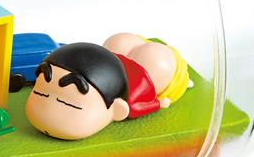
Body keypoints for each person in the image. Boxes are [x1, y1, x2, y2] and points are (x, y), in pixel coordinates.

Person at [25, 35, 191, 140]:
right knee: (120, 42)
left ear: (117, 110)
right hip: (107, 60)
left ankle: (185, 79)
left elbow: (142, 106)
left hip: (144, 75)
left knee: (157, 59)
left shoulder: (131, 102)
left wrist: (160, 103)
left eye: (68, 103)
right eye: (40, 93)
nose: (47, 112)